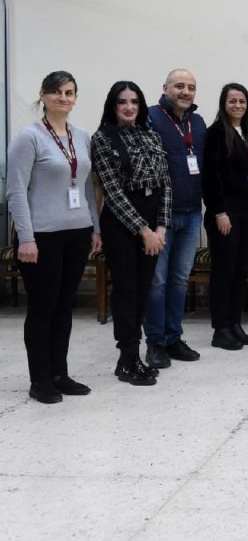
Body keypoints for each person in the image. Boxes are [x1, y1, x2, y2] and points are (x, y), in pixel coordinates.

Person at [6, 71, 102, 403]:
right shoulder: (28, 137)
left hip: (76, 233)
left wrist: (95, 227)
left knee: (65, 306)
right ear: (43, 95)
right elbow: (16, 191)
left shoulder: (82, 136)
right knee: (43, 307)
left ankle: (59, 373)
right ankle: (40, 379)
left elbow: (88, 185)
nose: (64, 98)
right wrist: (27, 237)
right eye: (57, 92)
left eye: (70, 92)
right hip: (41, 237)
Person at [92, 82, 171, 386]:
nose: (128, 107)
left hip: (153, 222)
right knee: (126, 292)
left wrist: (160, 228)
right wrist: (144, 231)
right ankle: (127, 359)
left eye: (134, 102)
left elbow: (166, 183)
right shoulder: (102, 138)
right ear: (113, 105)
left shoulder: (151, 135)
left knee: (143, 291)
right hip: (123, 224)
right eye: (122, 102)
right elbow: (112, 191)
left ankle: (132, 357)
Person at [144, 68, 206, 369]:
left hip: (193, 212)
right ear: (165, 88)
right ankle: (154, 342)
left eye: (191, 87)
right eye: (179, 86)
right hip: (161, 217)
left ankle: (173, 337)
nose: (185, 92)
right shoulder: (150, 118)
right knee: (157, 282)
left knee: (180, 280)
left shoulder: (198, 122)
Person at [202, 83, 248, 350]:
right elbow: (210, 177)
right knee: (223, 271)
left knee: (239, 271)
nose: (237, 106)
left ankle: (235, 323)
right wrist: (219, 211)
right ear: (223, 104)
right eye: (232, 101)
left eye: (242, 101)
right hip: (225, 213)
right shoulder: (215, 133)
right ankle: (220, 328)